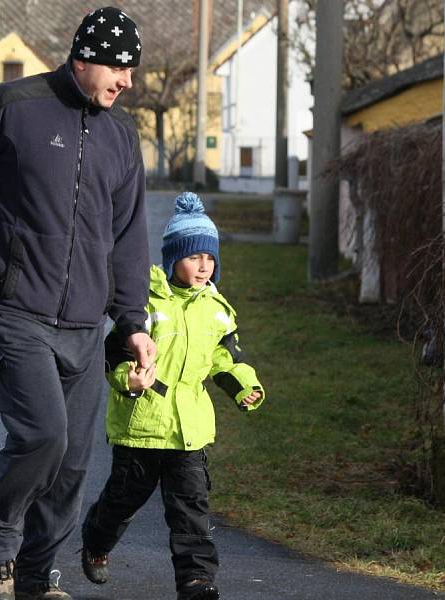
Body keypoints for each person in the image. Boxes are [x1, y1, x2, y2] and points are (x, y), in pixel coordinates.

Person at [0, 7, 155, 600]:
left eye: (133, 69)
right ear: (82, 59)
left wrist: (132, 323)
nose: (127, 80)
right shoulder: (11, 107)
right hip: (15, 308)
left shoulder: (122, 137)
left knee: (72, 464)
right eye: (118, 67)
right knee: (42, 436)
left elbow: (128, 239)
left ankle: (33, 576)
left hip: (84, 324)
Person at [80, 192, 265, 600]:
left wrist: (244, 387)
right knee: (122, 502)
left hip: (189, 432)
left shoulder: (217, 309)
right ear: (172, 258)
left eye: (210, 258)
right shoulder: (144, 304)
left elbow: (226, 359)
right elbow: (113, 354)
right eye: (194, 256)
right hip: (141, 427)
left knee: (191, 512)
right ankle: (96, 540)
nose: (204, 266)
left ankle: (196, 581)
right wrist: (130, 379)